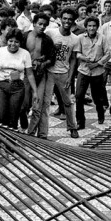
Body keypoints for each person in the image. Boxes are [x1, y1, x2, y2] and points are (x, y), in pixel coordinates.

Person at [28, 8, 79, 139]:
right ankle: (39, 133)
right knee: (44, 104)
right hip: (48, 73)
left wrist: (70, 76)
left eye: (70, 19)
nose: (67, 21)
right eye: (65, 18)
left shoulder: (74, 39)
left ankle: (72, 127)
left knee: (67, 102)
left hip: (64, 73)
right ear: (61, 19)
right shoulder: (51, 33)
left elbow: (73, 59)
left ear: (74, 21)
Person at [0, 29, 38, 129]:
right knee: (0, 115)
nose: (13, 44)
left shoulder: (25, 53)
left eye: (16, 42)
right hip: (2, 85)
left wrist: (35, 92)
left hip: (18, 87)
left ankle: (10, 141)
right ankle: (2, 138)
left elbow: (30, 74)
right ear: (7, 41)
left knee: (13, 116)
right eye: (11, 41)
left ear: (20, 43)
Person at [74, 17, 111, 127]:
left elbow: (108, 54)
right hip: (83, 70)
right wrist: (85, 59)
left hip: (97, 71)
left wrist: (97, 63)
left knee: (97, 97)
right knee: (79, 96)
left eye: (94, 26)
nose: (92, 28)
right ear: (86, 27)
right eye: (89, 26)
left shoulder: (102, 38)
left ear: (97, 27)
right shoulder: (80, 38)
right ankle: (80, 121)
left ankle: (100, 113)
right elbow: (77, 53)